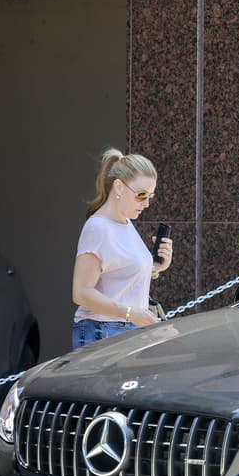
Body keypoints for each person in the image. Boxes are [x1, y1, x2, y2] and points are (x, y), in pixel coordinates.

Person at [71, 149, 173, 348]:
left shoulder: (125, 222)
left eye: (150, 196)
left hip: (123, 332)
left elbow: (119, 277)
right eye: (141, 195)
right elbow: (81, 292)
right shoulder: (98, 228)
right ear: (119, 187)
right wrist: (130, 313)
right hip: (102, 333)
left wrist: (158, 267)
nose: (146, 203)